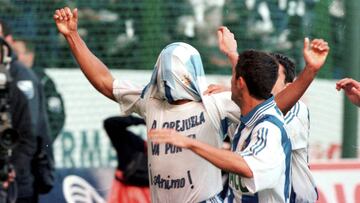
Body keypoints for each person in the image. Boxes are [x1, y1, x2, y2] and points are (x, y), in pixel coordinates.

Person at [53, 7, 328, 203]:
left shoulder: (215, 103)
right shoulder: (151, 101)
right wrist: (72, 37)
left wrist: (309, 73)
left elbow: (272, 105)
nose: (170, 77)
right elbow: (105, 82)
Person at [150, 50, 292, 202]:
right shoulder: (247, 119)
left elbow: (247, 167)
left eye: (232, 77)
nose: (228, 84)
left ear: (240, 83)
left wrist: (188, 142)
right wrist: (232, 53)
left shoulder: (268, 127)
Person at [0, 20, 54, 202]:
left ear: (8, 41)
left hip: (18, 179)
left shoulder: (21, 78)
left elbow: (29, 134)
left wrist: (13, 168)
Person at [270, 53, 317, 202]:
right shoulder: (249, 109)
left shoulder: (297, 109)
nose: (264, 79)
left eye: (273, 75)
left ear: (289, 87)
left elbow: (270, 129)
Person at [12, 38, 66, 142]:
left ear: (30, 56)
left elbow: (56, 117)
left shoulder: (43, 81)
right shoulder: (7, 78)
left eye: (16, 52)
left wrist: (41, 143)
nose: (12, 56)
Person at [103, 115, 150, 203]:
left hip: (150, 194)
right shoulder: (134, 143)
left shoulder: (168, 149)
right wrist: (143, 120)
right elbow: (110, 123)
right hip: (124, 191)